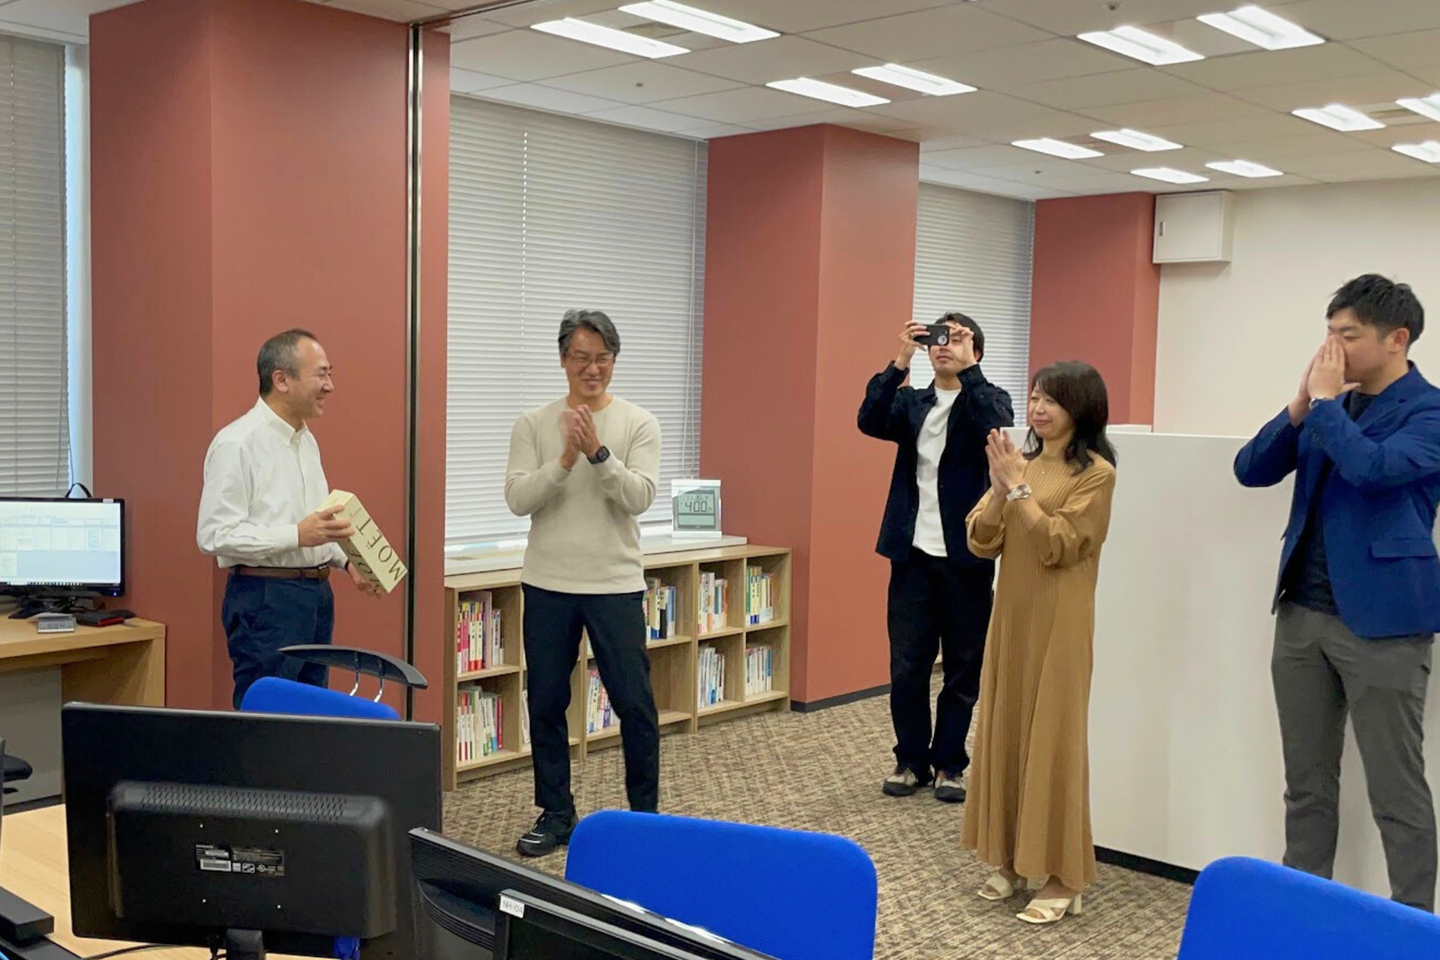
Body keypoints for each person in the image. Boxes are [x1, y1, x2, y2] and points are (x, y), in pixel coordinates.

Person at [1234, 274, 1439, 912]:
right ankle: (1304, 910)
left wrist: (1324, 407)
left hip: (1384, 623)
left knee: (1396, 790)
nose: (1331, 347)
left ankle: (1412, 924)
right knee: (1307, 785)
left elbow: (1374, 470)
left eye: (1348, 335)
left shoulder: (1429, 411)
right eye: (1329, 332)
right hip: (1301, 613)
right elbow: (1250, 470)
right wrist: (1302, 405)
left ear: (1396, 339)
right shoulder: (1329, 405)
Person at [962, 361, 1117, 925]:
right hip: (1013, 614)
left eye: (1051, 399)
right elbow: (981, 540)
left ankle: (1062, 876)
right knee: (1007, 726)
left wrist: (1019, 489)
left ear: (1081, 407)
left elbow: (1060, 543)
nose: (1037, 408)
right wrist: (1000, 489)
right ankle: (1011, 857)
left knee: (1052, 738)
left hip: (1061, 620)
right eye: (1033, 397)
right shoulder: (1018, 465)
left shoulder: (1096, 474)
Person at [505, 308, 663, 858]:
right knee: (546, 701)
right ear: (562, 359)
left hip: (614, 583)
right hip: (547, 582)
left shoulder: (639, 423)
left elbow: (639, 497)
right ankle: (556, 813)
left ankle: (645, 818)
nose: (591, 368)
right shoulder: (533, 423)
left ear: (614, 361)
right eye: (580, 357)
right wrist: (566, 459)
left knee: (634, 703)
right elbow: (518, 499)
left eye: (602, 358)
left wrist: (598, 452)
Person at [858, 313, 1014, 802]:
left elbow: (995, 426)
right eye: (937, 339)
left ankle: (949, 764)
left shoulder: (988, 398)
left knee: (963, 668)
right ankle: (910, 760)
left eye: (957, 339)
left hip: (967, 556)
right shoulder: (912, 403)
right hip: (912, 555)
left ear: (976, 352)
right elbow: (869, 419)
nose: (944, 346)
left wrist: (969, 370)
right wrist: (899, 361)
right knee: (908, 665)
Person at [198, 328, 382, 709]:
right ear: (281, 380)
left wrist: (350, 561)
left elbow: (317, 525)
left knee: (310, 718)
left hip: (316, 597)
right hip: (266, 598)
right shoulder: (237, 444)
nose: (330, 386)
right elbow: (214, 535)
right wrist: (296, 535)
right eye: (321, 374)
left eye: (330, 373)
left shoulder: (306, 440)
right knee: (268, 721)